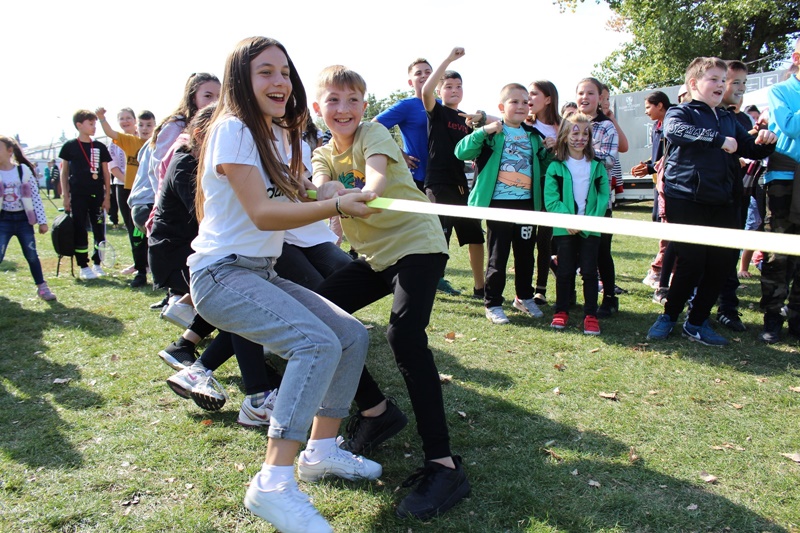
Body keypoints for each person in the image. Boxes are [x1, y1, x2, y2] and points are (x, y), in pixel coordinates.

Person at [187, 37, 381, 533]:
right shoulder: (232, 129)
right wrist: (334, 206)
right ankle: (272, 484)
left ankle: (321, 451)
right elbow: (264, 212)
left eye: (284, 73)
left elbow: (296, 197)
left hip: (260, 271)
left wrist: (328, 191)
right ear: (241, 81)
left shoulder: (278, 135)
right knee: (315, 344)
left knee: (350, 335)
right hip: (220, 274)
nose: (279, 82)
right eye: (265, 72)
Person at [311, 64, 470, 521]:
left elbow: (376, 182)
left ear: (364, 105)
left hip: (418, 245)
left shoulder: (373, 135)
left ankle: (443, 466)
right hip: (375, 258)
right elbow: (322, 183)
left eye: (353, 100)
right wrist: (329, 194)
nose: (344, 109)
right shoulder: (324, 152)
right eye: (333, 101)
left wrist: (353, 195)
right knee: (319, 314)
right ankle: (378, 411)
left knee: (404, 337)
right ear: (321, 108)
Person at [646, 57, 776, 346]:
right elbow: (675, 132)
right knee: (691, 262)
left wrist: (766, 139)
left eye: (723, 79)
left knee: (721, 264)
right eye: (714, 79)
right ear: (693, 84)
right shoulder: (680, 112)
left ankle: (696, 322)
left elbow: (750, 149)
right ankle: (668, 316)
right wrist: (716, 139)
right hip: (686, 198)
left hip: (725, 201)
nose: (721, 84)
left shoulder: (731, 118)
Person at [454, 82, 553, 324]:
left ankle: (524, 297)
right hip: (498, 204)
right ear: (501, 107)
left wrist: (549, 152)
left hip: (527, 205)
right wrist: (483, 131)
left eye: (525, 102)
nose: (521, 106)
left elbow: (544, 168)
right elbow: (461, 152)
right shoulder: (493, 134)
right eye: (514, 102)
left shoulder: (533, 136)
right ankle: (493, 303)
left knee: (525, 255)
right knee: (498, 257)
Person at [420, 47, 486, 298]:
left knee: (475, 237)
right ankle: (434, 281)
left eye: (458, 86)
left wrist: (479, 118)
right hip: (438, 183)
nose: (454, 90)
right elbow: (425, 90)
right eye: (448, 86)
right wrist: (448, 59)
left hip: (462, 186)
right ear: (439, 90)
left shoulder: (467, 119)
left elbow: (495, 121)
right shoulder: (435, 111)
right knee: (439, 235)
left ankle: (480, 287)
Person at [544, 112, 610, 334]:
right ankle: (561, 311)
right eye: (575, 132)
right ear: (564, 135)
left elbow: (603, 195)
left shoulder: (597, 165)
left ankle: (591, 315)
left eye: (585, 133)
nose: (580, 138)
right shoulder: (555, 166)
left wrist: (591, 220)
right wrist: (568, 220)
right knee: (564, 272)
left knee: (590, 272)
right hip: (565, 229)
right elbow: (551, 199)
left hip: (591, 229)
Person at [759, 38, 800, 344]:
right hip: (784, 179)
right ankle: (772, 317)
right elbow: (788, 127)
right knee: (779, 252)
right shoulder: (781, 90)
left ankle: (797, 316)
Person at [715, 60, 759, 333]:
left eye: (744, 82)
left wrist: (763, 140)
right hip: (705, 197)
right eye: (734, 82)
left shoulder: (741, 120)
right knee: (703, 255)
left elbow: (753, 150)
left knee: (730, 253)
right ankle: (695, 306)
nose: (739, 88)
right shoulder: (704, 115)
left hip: (735, 195)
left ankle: (728, 309)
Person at [96, 107, 157, 287]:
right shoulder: (131, 141)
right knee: (135, 233)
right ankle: (140, 271)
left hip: (152, 195)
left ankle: (155, 270)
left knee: (154, 234)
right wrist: (101, 118)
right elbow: (109, 132)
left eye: (149, 125)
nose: (145, 128)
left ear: (155, 126)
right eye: (142, 125)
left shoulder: (160, 144)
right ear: (137, 126)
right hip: (129, 192)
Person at [0, 135, 56, 300]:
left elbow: (35, 197)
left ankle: (42, 288)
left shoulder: (22, 170)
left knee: (31, 255)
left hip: (24, 221)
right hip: (3, 221)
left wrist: (43, 221)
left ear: (10, 151)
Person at [58, 109, 112, 280]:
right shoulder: (69, 147)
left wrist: (107, 196)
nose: (94, 127)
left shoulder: (100, 147)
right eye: (90, 124)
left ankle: (97, 262)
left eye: (95, 124)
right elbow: (64, 172)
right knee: (80, 228)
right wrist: (66, 195)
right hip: (77, 195)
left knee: (99, 229)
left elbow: (105, 173)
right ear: (79, 125)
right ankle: (83, 265)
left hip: (97, 195)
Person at [633, 91, 673, 295]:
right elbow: (659, 157)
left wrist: (652, 167)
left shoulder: (672, 125)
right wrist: (649, 166)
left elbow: (669, 157)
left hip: (671, 186)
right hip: (660, 183)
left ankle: (659, 271)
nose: (646, 111)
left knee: (669, 230)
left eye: (648, 107)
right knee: (661, 226)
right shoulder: (657, 128)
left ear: (660, 105)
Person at [373, 58, 433, 191]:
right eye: (418, 73)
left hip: (443, 176)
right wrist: (398, 152)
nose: (424, 75)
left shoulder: (442, 104)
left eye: (428, 72)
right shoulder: (406, 105)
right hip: (418, 177)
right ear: (410, 83)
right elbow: (374, 126)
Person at [526, 80, 561, 305]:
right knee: (526, 239)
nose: (529, 99)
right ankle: (526, 289)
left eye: (534, 94)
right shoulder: (525, 125)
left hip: (554, 189)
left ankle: (542, 289)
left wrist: (557, 147)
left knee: (545, 240)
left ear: (548, 99)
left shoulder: (563, 126)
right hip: (530, 188)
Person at [106, 108, 137, 228]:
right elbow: (113, 167)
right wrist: (128, 181)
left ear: (135, 120)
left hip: (143, 185)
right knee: (129, 223)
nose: (125, 121)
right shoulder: (114, 142)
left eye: (128, 118)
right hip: (122, 185)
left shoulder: (143, 139)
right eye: (122, 118)